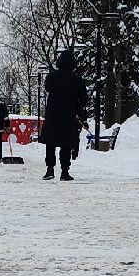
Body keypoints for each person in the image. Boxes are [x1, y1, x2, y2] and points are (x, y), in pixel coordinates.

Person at [41, 50, 84, 181]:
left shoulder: (52, 77)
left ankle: (50, 170)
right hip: (68, 115)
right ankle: (65, 172)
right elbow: (83, 98)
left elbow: (47, 88)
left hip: (52, 114)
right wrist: (76, 108)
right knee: (66, 144)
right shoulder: (76, 79)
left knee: (51, 143)